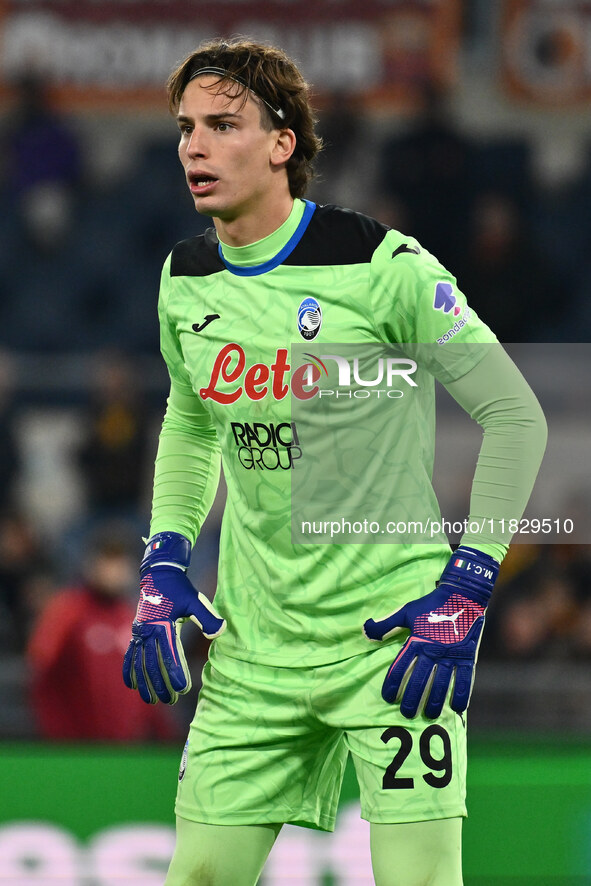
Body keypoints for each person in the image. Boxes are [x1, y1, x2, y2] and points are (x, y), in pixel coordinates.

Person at [121, 39, 547, 886]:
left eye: (222, 125)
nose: (194, 148)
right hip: (251, 648)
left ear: (283, 143)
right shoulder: (185, 278)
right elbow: (193, 421)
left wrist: (466, 587)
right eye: (184, 129)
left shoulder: (382, 266)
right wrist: (164, 556)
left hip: (389, 641)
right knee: (197, 876)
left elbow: (516, 416)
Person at [28, 528, 178, 741]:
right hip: (73, 748)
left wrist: (165, 738)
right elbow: (40, 671)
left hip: (127, 750)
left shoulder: (136, 617)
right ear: (91, 563)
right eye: (107, 560)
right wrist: (56, 736)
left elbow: (151, 684)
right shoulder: (65, 611)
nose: (113, 570)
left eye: (119, 561)